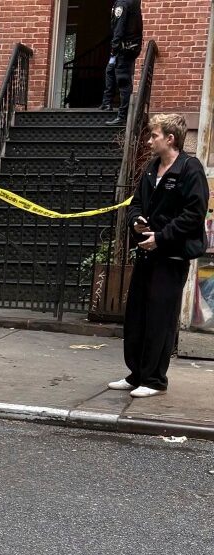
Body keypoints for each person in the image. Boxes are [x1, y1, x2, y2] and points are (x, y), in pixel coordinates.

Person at [108, 113, 208, 397]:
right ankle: (136, 373)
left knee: (160, 319)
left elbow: (194, 214)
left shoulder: (190, 169)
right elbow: (136, 203)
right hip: (147, 253)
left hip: (172, 256)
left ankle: (154, 380)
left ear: (170, 138)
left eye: (154, 135)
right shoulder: (152, 168)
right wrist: (136, 221)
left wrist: (161, 238)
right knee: (137, 315)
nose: (150, 140)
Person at [102, 0, 142, 126]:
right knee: (110, 70)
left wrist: (114, 47)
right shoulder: (134, 3)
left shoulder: (123, 4)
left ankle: (122, 116)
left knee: (123, 80)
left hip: (124, 49)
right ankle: (106, 103)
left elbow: (119, 27)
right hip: (131, 47)